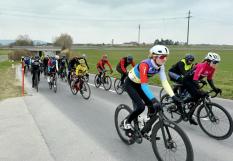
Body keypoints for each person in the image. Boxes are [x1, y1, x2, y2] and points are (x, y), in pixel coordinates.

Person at [123, 45, 181, 135]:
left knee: (155, 108)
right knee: (141, 107)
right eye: (162, 57)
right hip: (130, 84)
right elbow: (144, 86)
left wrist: (173, 96)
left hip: (139, 85)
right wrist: (153, 100)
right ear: (154, 56)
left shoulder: (160, 66)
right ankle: (126, 122)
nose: (165, 59)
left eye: (166, 56)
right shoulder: (144, 65)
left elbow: (164, 82)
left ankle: (146, 124)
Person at [182, 52, 222, 125]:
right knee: (197, 96)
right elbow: (195, 79)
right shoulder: (201, 66)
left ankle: (189, 115)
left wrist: (215, 88)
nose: (216, 64)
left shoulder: (212, 69)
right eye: (215, 62)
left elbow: (209, 79)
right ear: (209, 61)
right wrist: (200, 90)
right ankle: (181, 103)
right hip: (187, 80)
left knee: (198, 97)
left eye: (217, 62)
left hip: (194, 81)